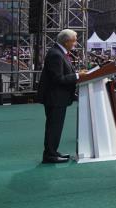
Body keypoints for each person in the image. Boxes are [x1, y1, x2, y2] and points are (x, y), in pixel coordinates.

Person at [38, 29, 85, 164]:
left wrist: (78, 73)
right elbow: (58, 79)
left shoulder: (59, 53)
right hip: (55, 97)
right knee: (54, 127)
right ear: (66, 41)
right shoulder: (56, 55)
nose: (75, 43)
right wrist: (77, 76)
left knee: (55, 127)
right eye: (74, 40)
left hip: (58, 97)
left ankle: (53, 151)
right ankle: (49, 155)